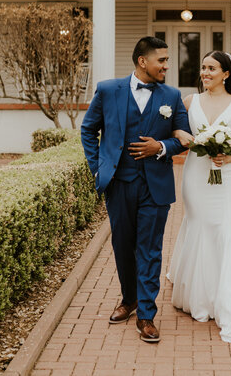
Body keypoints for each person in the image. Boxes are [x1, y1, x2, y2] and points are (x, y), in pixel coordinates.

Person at [80, 36, 191, 343]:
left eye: (167, 61)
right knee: (123, 245)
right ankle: (129, 299)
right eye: (162, 60)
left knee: (150, 250)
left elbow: (183, 135)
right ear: (143, 61)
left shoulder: (171, 94)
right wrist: (98, 166)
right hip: (119, 183)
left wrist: (161, 147)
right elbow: (89, 130)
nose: (167, 66)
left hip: (155, 187)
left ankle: (146, 315)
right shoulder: (107, 90)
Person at [167, 50, 231, 343]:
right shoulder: (190, 102)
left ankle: (228, 300)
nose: (205, 73)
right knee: (201, 226)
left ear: (226, 74)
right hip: (196, 176)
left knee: (227, 229)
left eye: (212, 68)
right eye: (203, 68)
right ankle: (200, 297)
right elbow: (175, 128)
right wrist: (184, 137)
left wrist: (228, 156)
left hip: (228, 177)